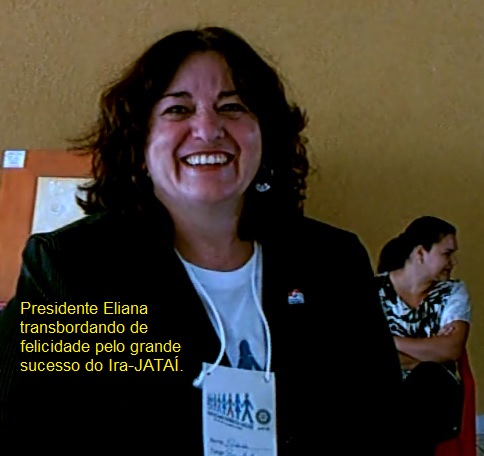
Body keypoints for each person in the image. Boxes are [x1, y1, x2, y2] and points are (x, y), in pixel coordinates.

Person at [0, 26, 402, 455]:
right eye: (178, 109)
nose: (208, 129)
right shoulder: (78, 270)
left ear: (265, 136)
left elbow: (381, 422)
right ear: (139, 141)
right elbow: (23, 432)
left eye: (232, 107)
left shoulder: (332, 260)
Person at [375, 216, 471, 456]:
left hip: (435, 396)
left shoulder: (452, 292)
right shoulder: (371, 290)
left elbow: (450, 350)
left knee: (429, 378)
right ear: (420, 253)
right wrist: (430, 348)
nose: (454, 262)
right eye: (447, 254)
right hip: (381, 389)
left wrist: (389, 341)